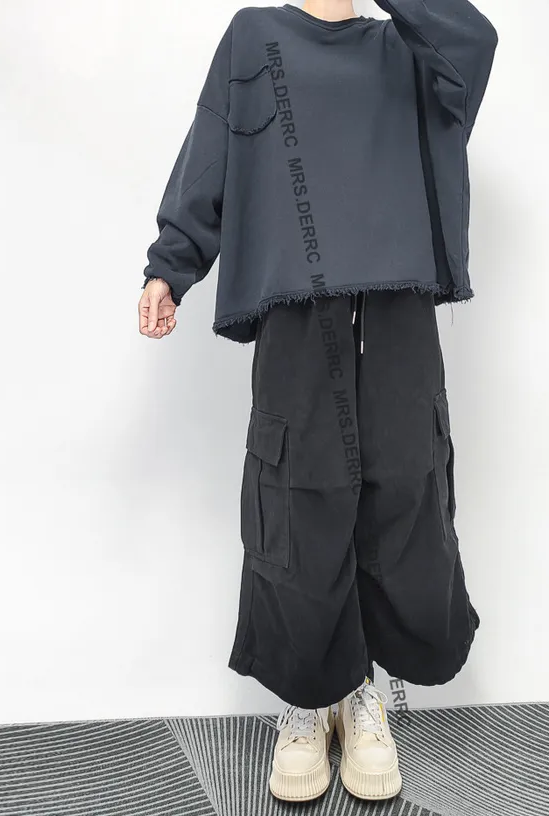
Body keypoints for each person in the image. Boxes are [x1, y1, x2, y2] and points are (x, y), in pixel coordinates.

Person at [138, 0, 497, 802]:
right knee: (299, 497)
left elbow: (474, 44)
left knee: (401, 487)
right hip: (299, 308)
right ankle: (309, 695)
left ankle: (360, 689)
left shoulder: (408, 45)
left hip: (396, 300)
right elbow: (211, 151)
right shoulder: (255, 37)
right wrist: (171, 264)